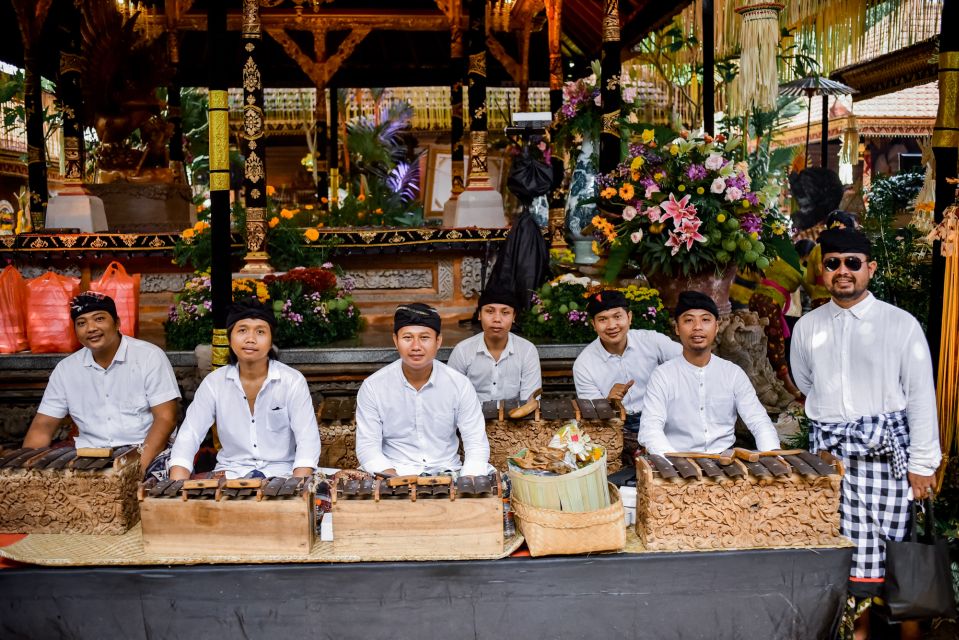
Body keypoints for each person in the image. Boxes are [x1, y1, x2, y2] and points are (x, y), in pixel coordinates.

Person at [790, 225, 940, 640]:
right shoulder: (807, 328)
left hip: (888, 463)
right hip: (832, 463)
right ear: (822, 271)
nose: (843, 271)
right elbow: (806, 383)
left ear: (869, 269)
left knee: (899, 557)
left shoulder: (899, 325)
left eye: (852, 263)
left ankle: (910, 635)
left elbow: (920, 398)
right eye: (833, 263)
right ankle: (857, 634)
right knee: (845, 556)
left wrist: (923, 464)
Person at [23, 292, 180, 476]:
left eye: (99, 319)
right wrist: (22, 471)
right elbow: (43, 426)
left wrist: (135, 470)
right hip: (91, 456)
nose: (91, 328)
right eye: (81, 323)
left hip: (146, 451)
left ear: (117, 323)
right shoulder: (65, 370)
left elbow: (165, 419)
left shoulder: (149, 357)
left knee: (143, 497)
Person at [168, 299, 320, 480]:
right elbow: (189, 435)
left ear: (271, 340)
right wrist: (176, 485)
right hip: (230, 474)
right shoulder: (214, 383)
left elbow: (307, 439)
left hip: (283, 474)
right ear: (230, 338)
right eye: (242, 330)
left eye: (260, 332)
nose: (250, 339)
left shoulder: (292, 381)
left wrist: (296, 487)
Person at [355, 303, 490, 477]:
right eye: (408, 338)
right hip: (393, 473)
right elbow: (368, 448)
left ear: (438, 341)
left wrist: (468, 481)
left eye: (425, 337)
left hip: (448, 472)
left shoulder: (459, 385)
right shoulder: (373, 387)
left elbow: (476, 443)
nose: (416, 346)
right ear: (396, 340)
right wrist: (394, 481)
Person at [638, 291, 780, 456]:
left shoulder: (732, 373)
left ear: (717, 326)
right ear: (677, 328)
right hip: (677, 460)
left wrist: (773, 454)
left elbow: (759, 421)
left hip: (726, 464)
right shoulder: (662, 376)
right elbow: (650, 429)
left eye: (705, 320)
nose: (697, 327)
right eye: (689, 320)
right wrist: (675, 464)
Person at [573, 289, 682, 460]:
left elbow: (690, 361)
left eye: (617, 317)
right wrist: (608, 403)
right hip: (619, 426)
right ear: (593, 324)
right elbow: (594, 417)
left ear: (629, 317)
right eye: (602, 319)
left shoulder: (652, 341)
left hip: (660, 417)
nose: (611, 326)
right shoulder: (584, 364)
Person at [447, 286, 542, 402]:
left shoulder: (527, 351)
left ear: (514, 317)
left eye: (505, 312)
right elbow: (451, 399)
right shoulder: (462, 351)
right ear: (479, 315)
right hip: (471, 418)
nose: (497, 319)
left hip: (516, 418)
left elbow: (530, 402)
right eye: (490, 311)